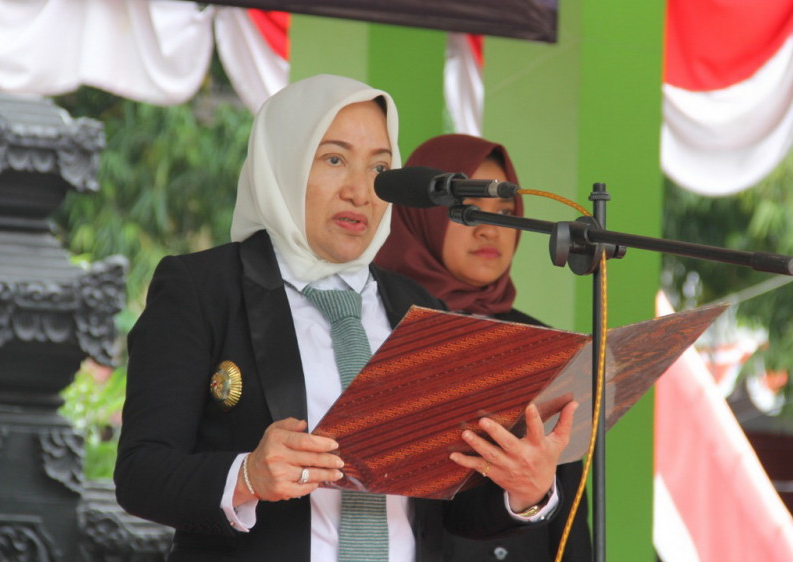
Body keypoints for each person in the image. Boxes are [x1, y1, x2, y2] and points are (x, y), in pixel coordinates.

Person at [114, 75, 578, 562]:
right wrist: (247, 475)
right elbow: (141, 473)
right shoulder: (202, 288)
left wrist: (526, 489)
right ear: (284, 162)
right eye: (334, 159)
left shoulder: (418, 306)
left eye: (380, 167)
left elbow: (448, 509)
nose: (361, 192)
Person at [374, 133, 592, 561]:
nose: (490, 228)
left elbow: (569, 514)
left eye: (505, 213)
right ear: (420, 214)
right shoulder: (378, 327)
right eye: (467, 209)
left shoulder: (541, 343)